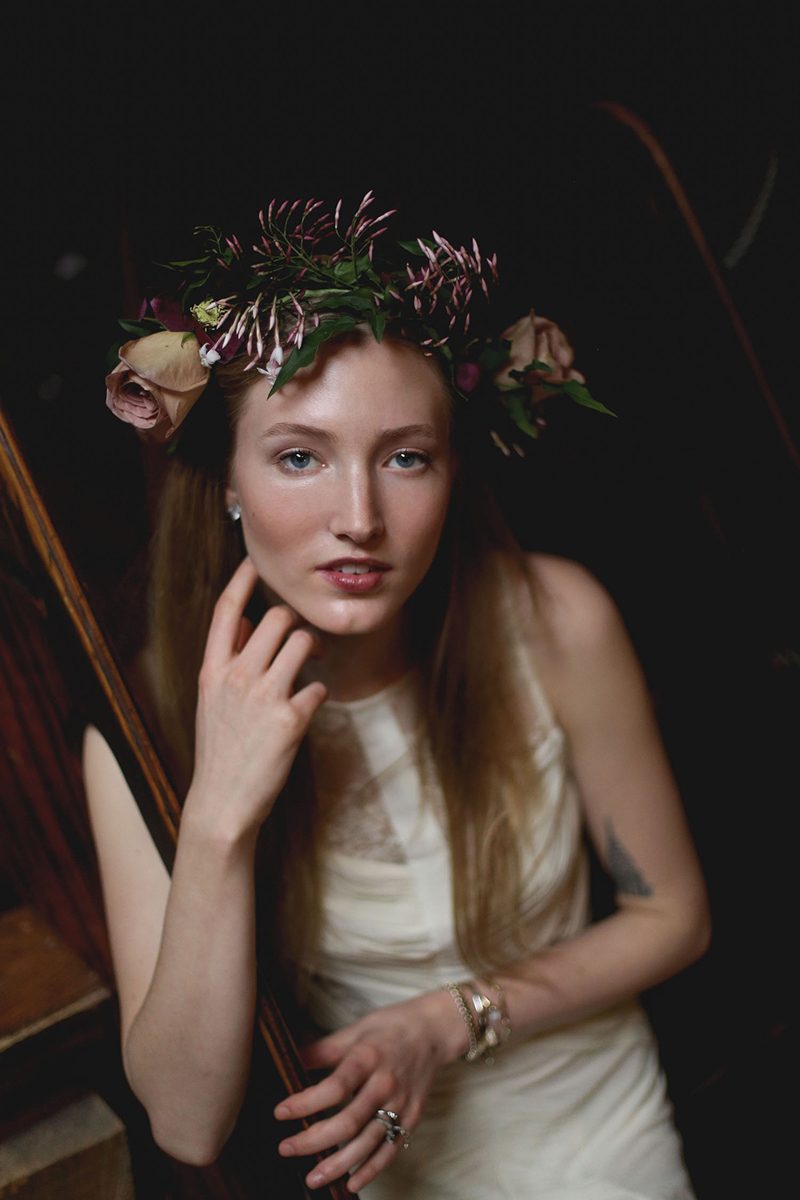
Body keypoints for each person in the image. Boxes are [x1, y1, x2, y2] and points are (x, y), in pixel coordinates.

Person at [83, 193, 710, 1198]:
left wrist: (445, 1021)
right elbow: (186, 1125)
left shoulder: (553, 619)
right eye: (298, 457)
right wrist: (218, 819)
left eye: (404, 457)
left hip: (602, 1137)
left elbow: (673, 915)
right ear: (229, 481)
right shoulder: (143, 724)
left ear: (454, 470)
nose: (359, 518)